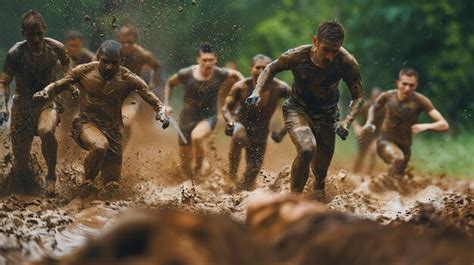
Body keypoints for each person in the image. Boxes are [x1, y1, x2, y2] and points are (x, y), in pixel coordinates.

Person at [246, 20, 364, 200]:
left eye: (335, 51)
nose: (330, 56)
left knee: (320, 172)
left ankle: (318, 192)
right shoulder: (296, 55)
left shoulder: (347, 62)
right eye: (326, 49)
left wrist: (346, 121)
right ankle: (294, 200)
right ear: (315, 42)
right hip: (297, 108)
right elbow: (270, 68)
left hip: (327, 115)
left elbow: (358, 97)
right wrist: (257, 90)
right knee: (307, 149)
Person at [33, 40, 169, 190]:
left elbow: (150, 96)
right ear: (98, 57)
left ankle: (95, 189)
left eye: (114, 63)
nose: (109, 66)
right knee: (99, 146)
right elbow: (60, 84)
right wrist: (45, 91)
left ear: (121, 62)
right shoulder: (84, 71)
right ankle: (87, 181)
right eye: (105, 62)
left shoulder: (128, 77)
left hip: (113, 131)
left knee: (111, 186)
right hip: (86, 123)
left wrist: (161, 111)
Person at [0, 11, 72, 195]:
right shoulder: (16, 52)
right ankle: (23, 186)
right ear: (23, 33)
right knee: (21, 165)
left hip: (48, 99)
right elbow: (4, 82)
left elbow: (69, 70)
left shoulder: (56, 47)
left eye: (39, 33)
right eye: (31, 35)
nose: (36, 38)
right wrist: (2, 106)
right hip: (22, 103)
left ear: (44, 30)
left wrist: (71, 85)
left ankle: (51, 176)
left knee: (46, 130)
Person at [164, 42, 244, 176]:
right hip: (187, 117)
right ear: (198, 60)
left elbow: (236, 75)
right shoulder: (186, 73)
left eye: (211, 60)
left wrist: (246, 89)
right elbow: (169, 83)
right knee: (185, 163)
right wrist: (166, 103)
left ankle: (199, 169)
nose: (208, 63)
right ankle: (189, 177)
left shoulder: (220, 73)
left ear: (216, 59)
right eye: (205, 60)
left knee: (197, 137)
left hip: (209, 116)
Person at [363, 68, 449, 177]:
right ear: (398, 83)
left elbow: (444, 124)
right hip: (385, 141)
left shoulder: (420, 100)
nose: (407, 88)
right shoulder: (387, 96)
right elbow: (373, 108)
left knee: (399, 177)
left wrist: (426, 126)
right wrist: (369, 122)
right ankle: (380, 185)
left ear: (416, 85)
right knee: (398, 159)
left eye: (411, 85)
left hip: (405, 147)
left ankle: (390, 186)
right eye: (404, 84)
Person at [222, 54, 290, 190]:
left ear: (272, 70)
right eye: (257, 67)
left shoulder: (280, 88)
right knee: (239, 134)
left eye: (265, 68)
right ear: (251, 69)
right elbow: (225, 109)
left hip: (261, 132)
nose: (261, 71)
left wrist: (283, 131)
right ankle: (232, 175)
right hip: (240, 124)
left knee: (252, 172)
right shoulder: (241, 87)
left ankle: (242, 188)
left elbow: (298, 108)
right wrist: (230, 122)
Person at [117, 25, 162, 145]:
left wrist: (153, 84)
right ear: (118, 40)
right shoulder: (111, 51)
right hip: (111, 91)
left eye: (129, 42)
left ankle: (120, 150)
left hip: (132, 94)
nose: (126, 45)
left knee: (126, 122)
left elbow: (157, 67)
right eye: (122, 42)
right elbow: (94, 62)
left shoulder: (142, 54)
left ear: (135, 41)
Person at [352, 87, 384, 174]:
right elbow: (353, 116)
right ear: (372, 97)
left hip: (376, 134)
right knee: (361, 154)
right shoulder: (366, 105)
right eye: (375, 97)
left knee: (373, 152)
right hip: (364, 134)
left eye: (379, 97)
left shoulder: (384, 109)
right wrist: (357, 127)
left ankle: (368, 174)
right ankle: (355, 172)